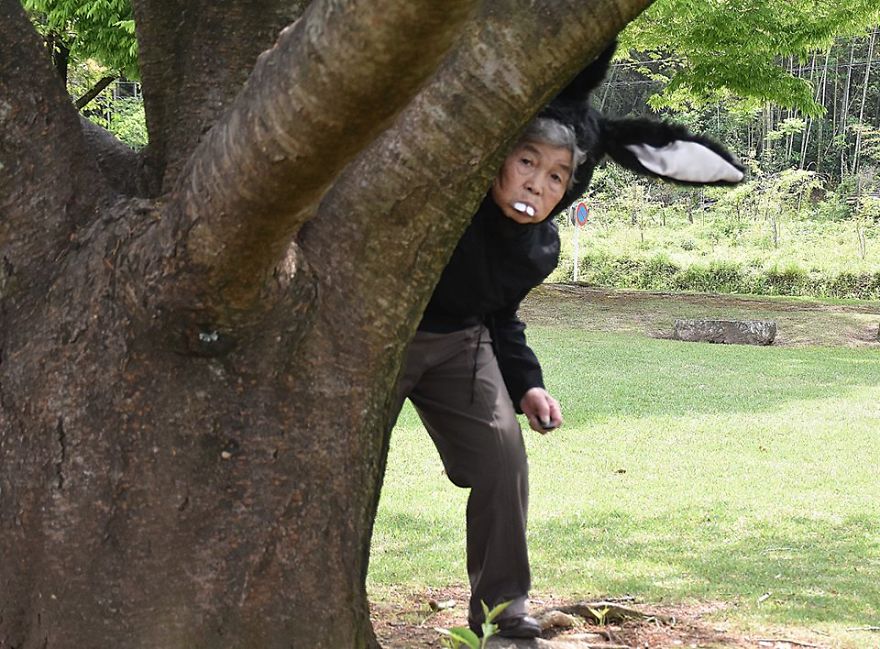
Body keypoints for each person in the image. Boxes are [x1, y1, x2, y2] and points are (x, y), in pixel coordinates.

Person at [389, 116, 584, 639]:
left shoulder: (540, 247)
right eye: (527, 162)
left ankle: (504, 614)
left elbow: (502, 314)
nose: (535, 185)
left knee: (504, 460)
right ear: (499, 159)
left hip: (460, 343)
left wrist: (528, 385)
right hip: (379, 333)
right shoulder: (452, 199)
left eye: (556, 177)